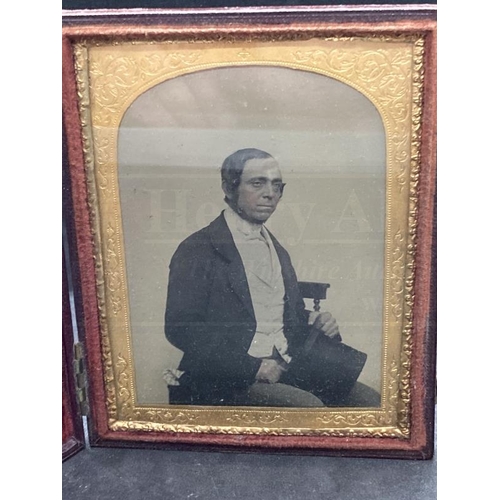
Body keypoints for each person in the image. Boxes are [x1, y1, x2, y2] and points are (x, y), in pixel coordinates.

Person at [164, 148, 379, 407]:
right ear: (229, 188)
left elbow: (290, 318)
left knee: (370, 402)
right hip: (226, 380)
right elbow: (180, 329)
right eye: (258, 183)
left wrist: (316, 321)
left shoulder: (278, 252)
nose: (270, 194)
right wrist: (252, 367)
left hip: (288, 366)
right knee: (310, 410)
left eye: (277, 186)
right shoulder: (198, 248)